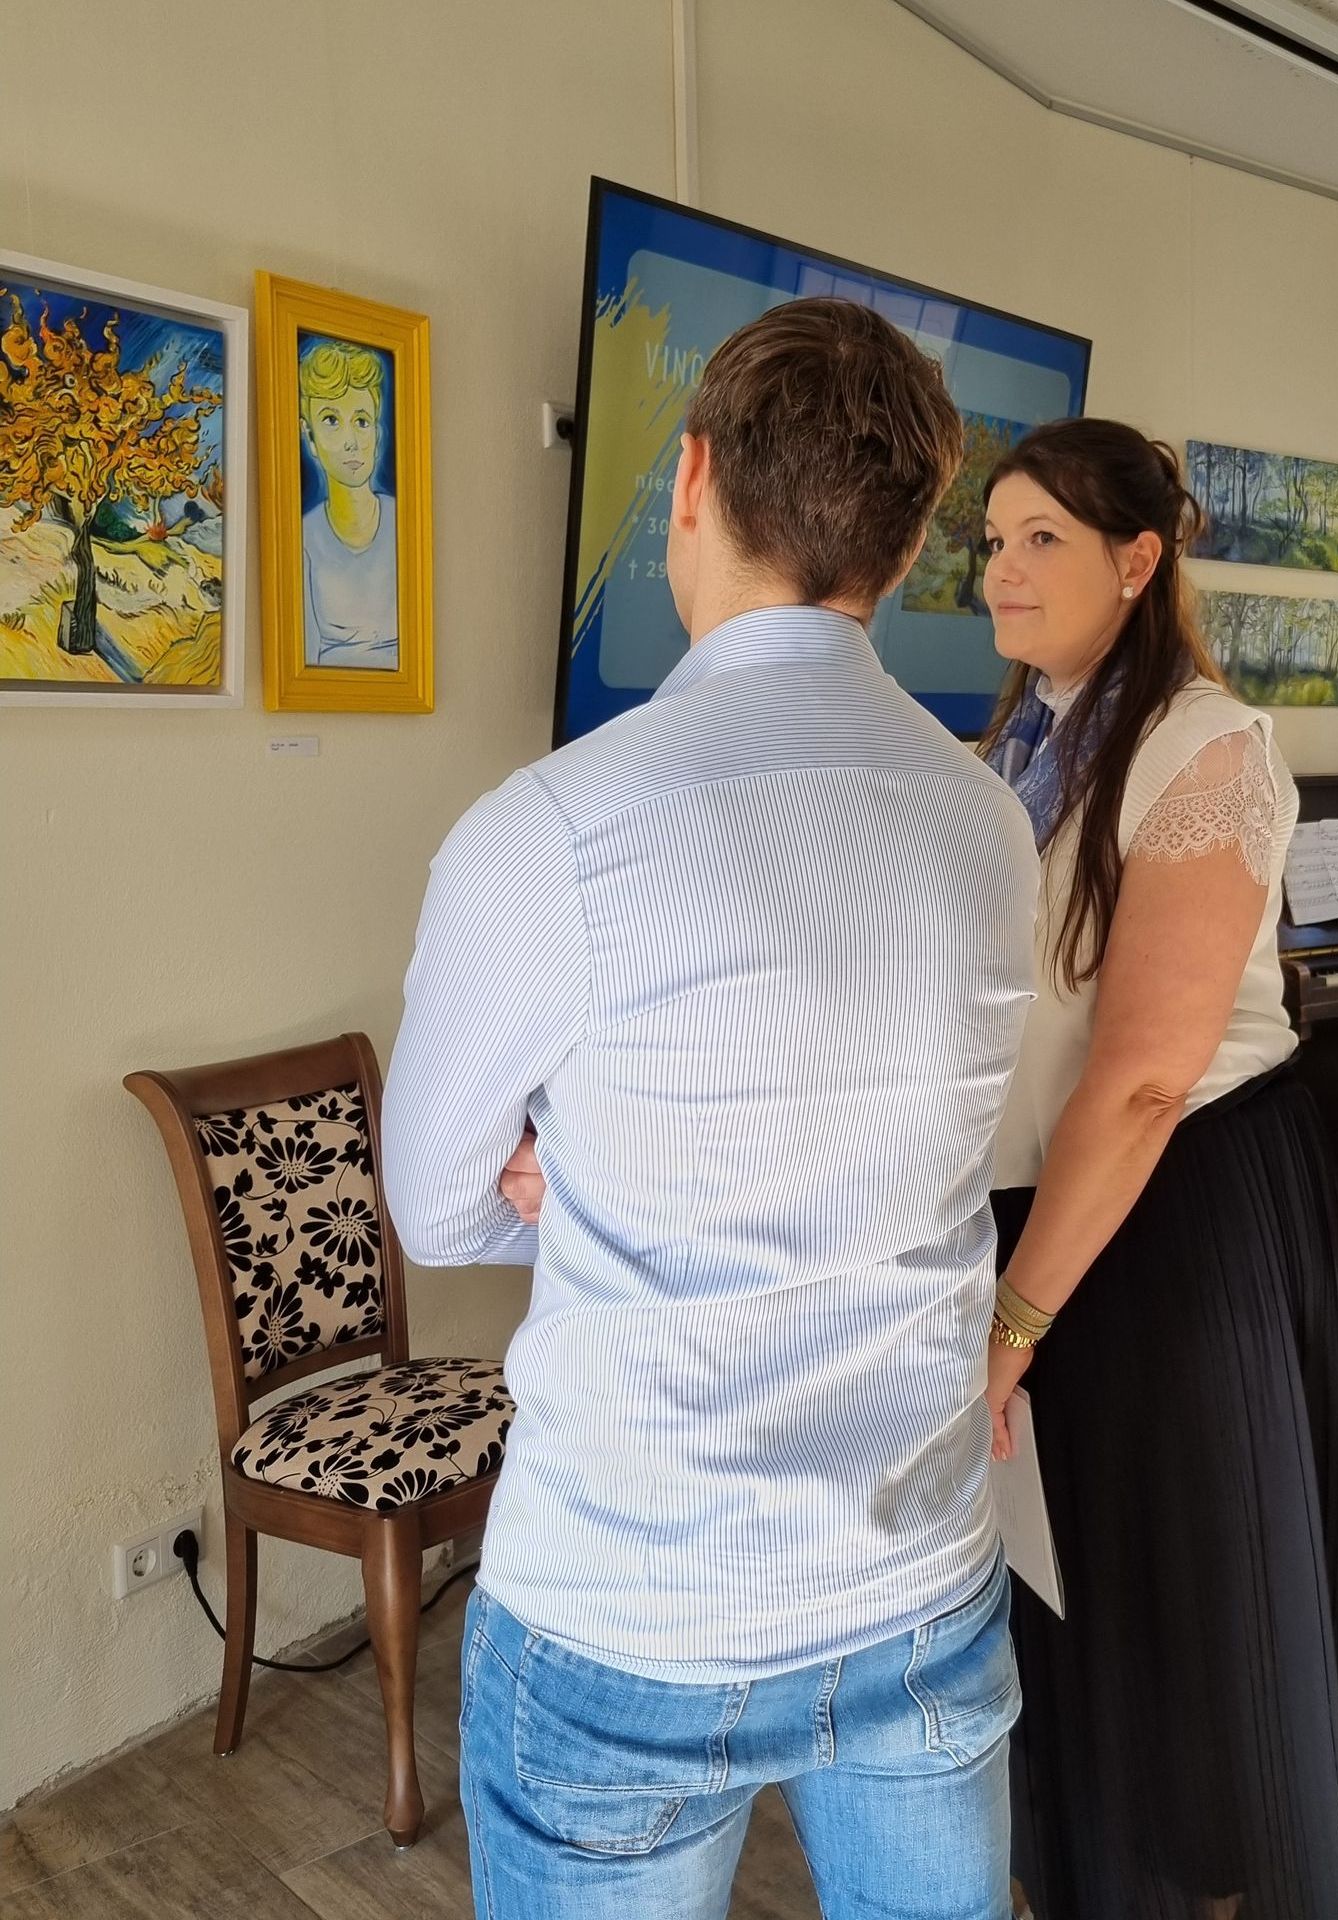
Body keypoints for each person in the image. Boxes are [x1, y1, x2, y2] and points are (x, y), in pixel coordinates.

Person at [382, 298, 1041, 1920]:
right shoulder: (986, 825)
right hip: (917, 1575)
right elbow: (910, 1150)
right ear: (909, 547)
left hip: (632, 1599)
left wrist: (600, 1180)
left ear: (691, 482)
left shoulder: (549, 827)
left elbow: (439, 1204)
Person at [977, 419, 1338, 1919]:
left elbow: (1145, 1075)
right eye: (992, 542)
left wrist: (1012, 1322)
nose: (1002, 571)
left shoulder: (1205, 746)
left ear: (1138, 561)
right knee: (1071, 1595)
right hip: (1058, 1200)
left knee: (1185, 1607)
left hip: (1177, 1208)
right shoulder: (1018, 744)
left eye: (1043, 540)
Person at [299, 336, 399, 669]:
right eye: (331, 420)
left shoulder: (405, 524)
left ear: (377, 435)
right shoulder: (303, 539)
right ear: (310, 437)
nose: (351, 441)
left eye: (362, 421)